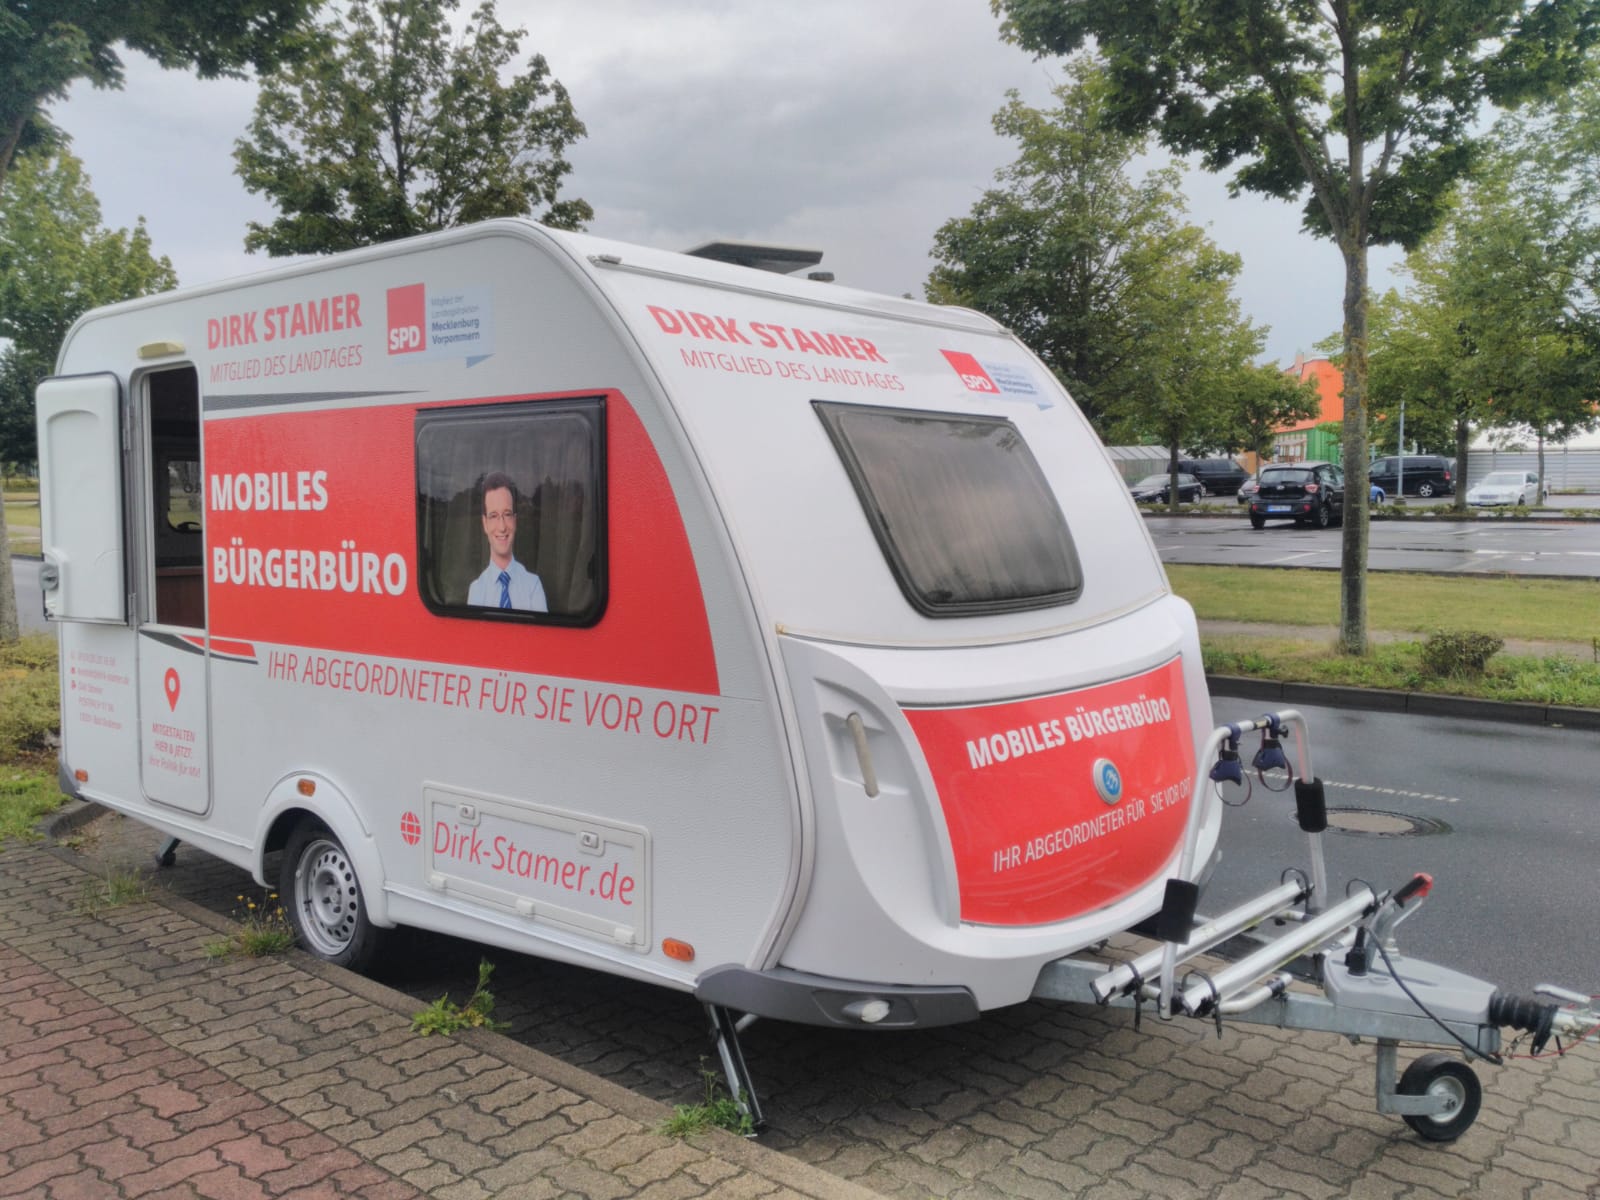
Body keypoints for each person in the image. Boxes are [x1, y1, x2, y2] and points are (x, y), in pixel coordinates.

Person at [466, 472, 548, 612]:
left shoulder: (533, 586)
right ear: (485, 524)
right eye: (493, 516)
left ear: (515, 521)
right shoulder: (477, 590)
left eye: (507, 514)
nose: (502, 527)